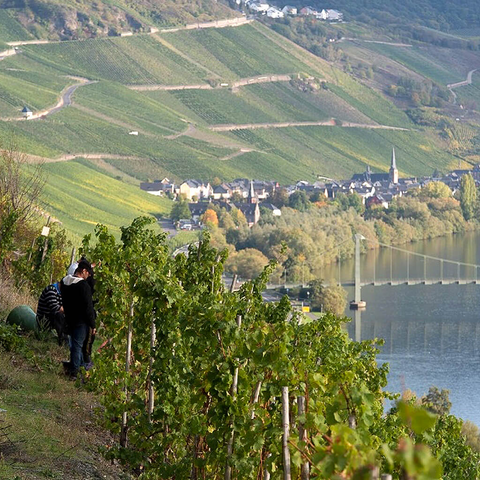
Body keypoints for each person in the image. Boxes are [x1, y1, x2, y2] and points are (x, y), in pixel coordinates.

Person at [61, 259, 96, 379]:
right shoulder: (83, 286)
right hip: (81, 320)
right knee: (78, 346)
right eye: (88, 273)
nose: (89, 276)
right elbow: (88, 307)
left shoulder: (65, 282)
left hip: (69, 318)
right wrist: (93, 324)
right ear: (84, 271)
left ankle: (79, 368)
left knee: (74, 345)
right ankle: (75, 372)